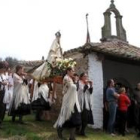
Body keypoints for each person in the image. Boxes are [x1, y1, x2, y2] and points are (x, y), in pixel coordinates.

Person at [54, 67, 81, 140]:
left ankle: (72, 137)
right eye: (72, 71)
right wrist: (75, 81)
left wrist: (75, 81)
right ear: (68, 71)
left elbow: (76, 89)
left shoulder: (71, 78)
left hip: (74, 101)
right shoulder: (66, 78)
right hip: (68, 101)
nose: (74, 72)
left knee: (75, 118)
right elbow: (73, 88)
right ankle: (59, 129)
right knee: (66, 117)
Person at [0, 62, 8, 129]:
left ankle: (1, 121)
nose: (4, 70)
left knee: (3, 107)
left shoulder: (3, 75)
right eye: (3, 68)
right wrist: (2, 83)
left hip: (3, 92)